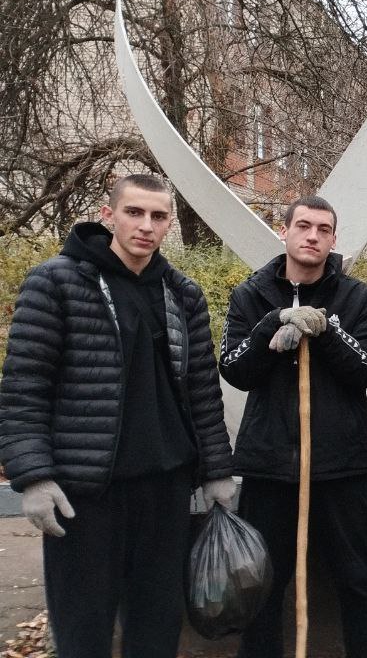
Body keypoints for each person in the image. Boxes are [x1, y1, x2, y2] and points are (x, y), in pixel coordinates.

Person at [0, 174, 234, 656]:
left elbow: (202, 389)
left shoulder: (180, 292)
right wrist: (34, 477)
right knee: (84, 627)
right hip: (86, 490)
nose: (146, 225)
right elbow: (24, 386)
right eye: (134, 212)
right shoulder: (57, 282)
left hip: (165, 487)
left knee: (156, 625)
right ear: (108, 215)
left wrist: (216, 472)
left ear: (169, 224)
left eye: (158, 216)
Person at [219, 195, 367, 658]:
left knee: (357, 579)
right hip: (270, 464)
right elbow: (234, 369)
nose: (313, 236)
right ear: (285, 231)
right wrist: (270, 327)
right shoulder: (251, 295)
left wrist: (327, 330)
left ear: (334, 239)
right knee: (263, 583)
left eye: (324, 229)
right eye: (304, 226)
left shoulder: (355, 296)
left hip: (338, 466)